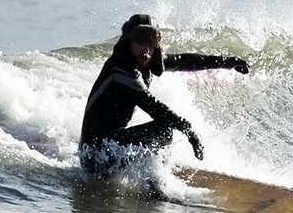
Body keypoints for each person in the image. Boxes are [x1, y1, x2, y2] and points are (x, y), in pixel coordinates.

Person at [78, 15, 249, 173]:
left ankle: (150, 180)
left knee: (162, 131)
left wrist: (229, 63)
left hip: (107, 148)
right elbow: (153, 107)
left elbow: (186, 61)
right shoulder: (120, 70)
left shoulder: (145, 61)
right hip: (95, 155)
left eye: (151, 45)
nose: (146, 51)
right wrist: (189, 131)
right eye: (140, 43)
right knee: (163, 130)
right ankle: (155, 186)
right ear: (127, 43)